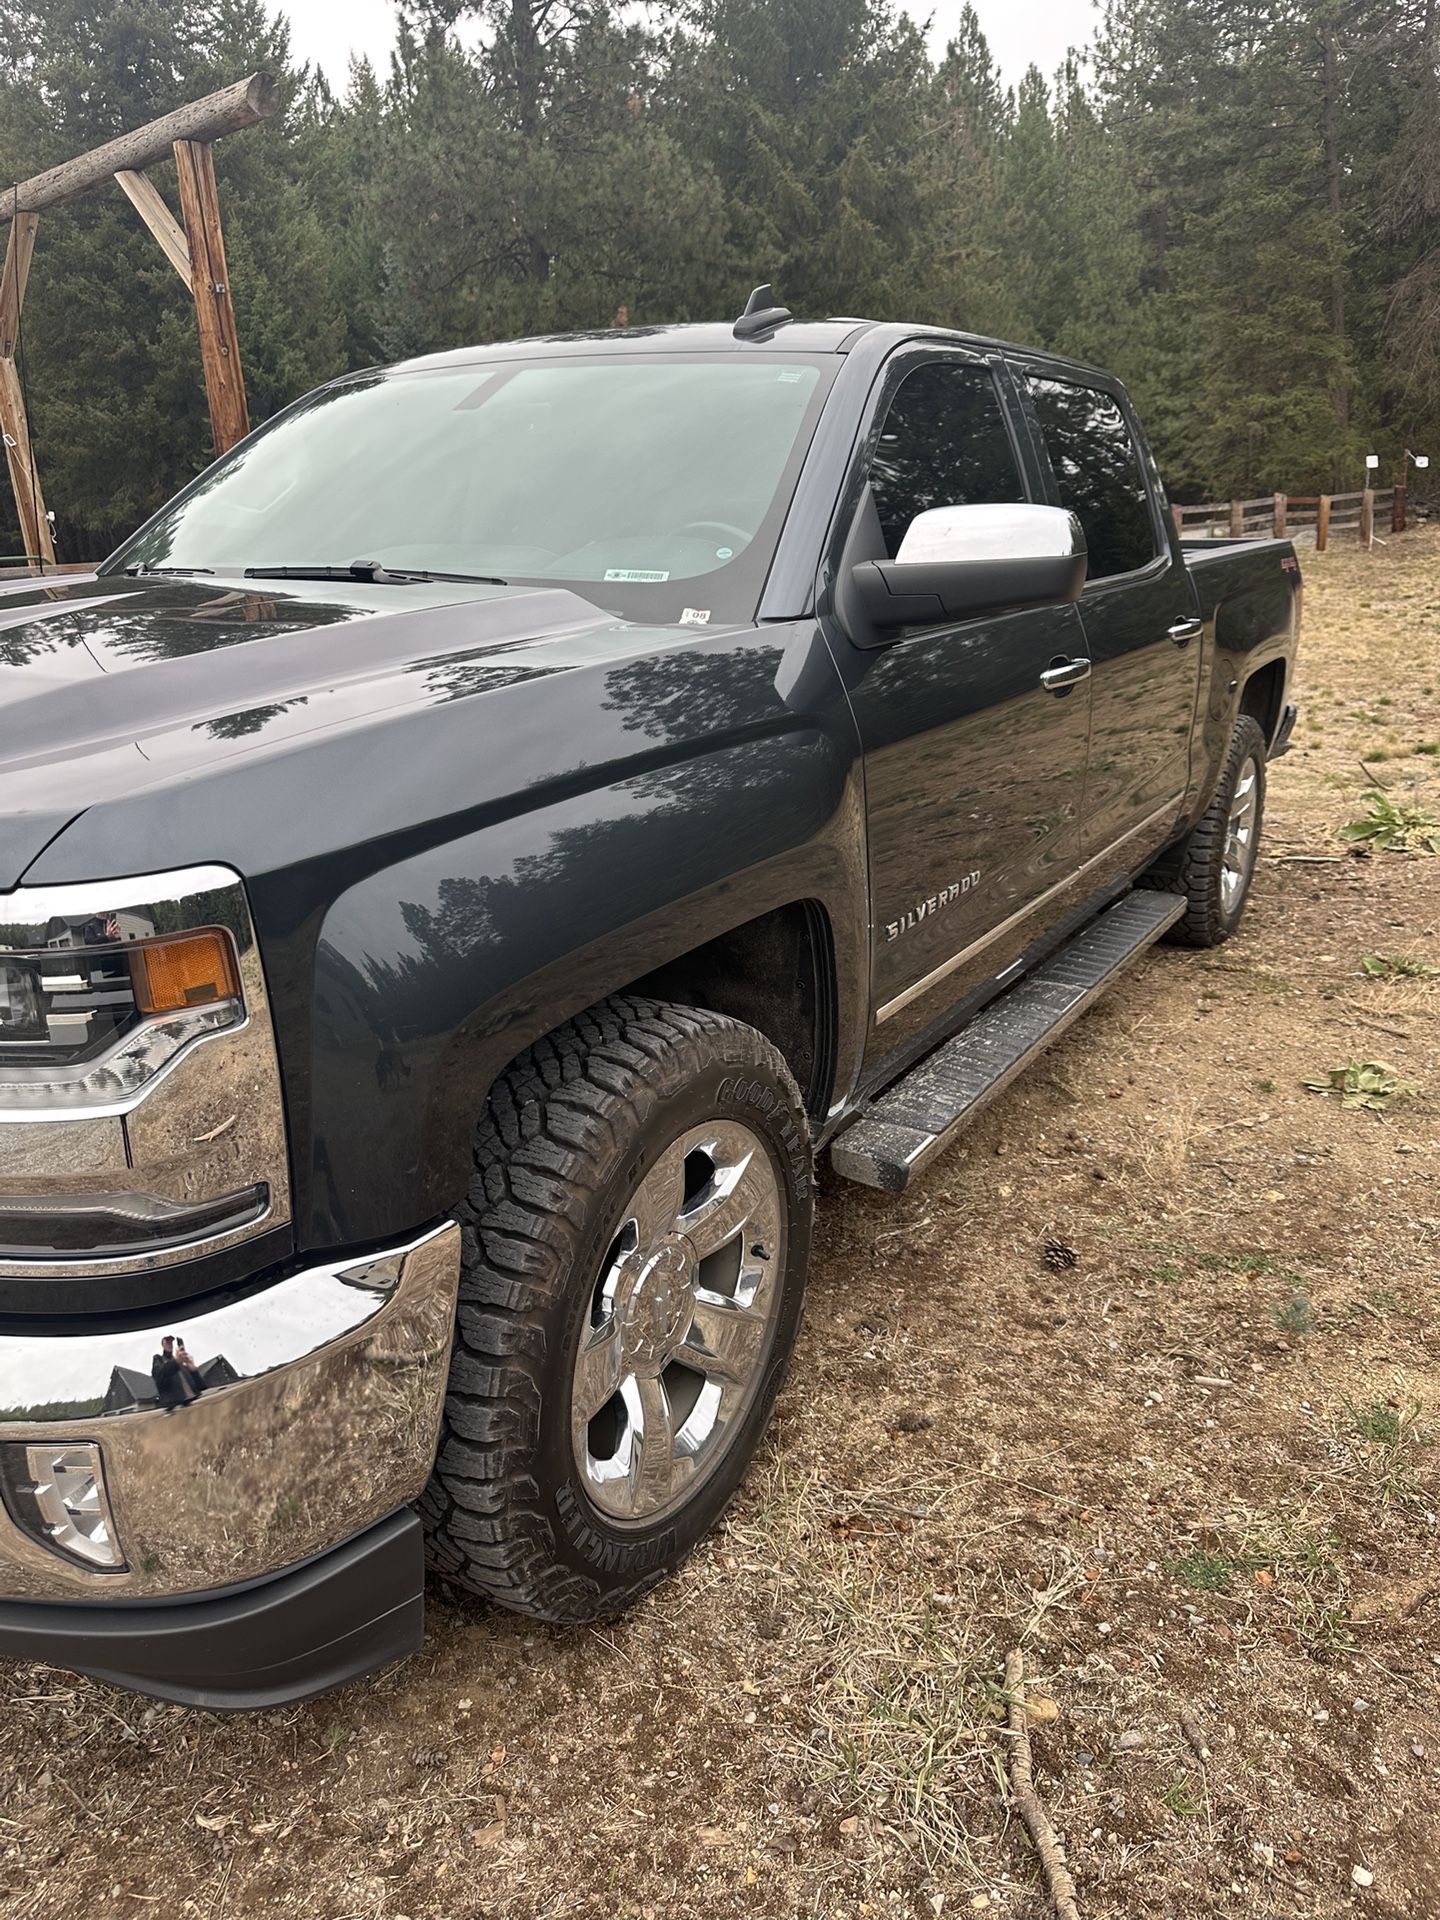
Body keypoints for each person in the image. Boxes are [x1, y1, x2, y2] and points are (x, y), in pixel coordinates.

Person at [151, 1334, 195, 1410]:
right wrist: (176, 1362)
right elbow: (159, 1375)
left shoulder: (181, 1362)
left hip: (193, 1403)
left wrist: (194, 1371)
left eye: (171, 1342)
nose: (169, 1344)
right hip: (176, 1409)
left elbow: (201, 1386)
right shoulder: (159, 1359)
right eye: (167, 1342)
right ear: (162, 1344)